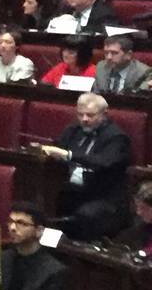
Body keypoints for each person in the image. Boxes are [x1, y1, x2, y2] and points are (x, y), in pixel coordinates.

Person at [42, 92, 134, 239]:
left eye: (90, 115)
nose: (84, 119)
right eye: (80, 114)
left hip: (103, 196)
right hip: (72, 190)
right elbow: (58, 149)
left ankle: (78, 258)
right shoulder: (73, 130)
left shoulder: (117, 137)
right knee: (44, 207)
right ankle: (54, 252)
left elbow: (104, 162)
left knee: (85, 214)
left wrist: (69, 155)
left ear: (104, 114)